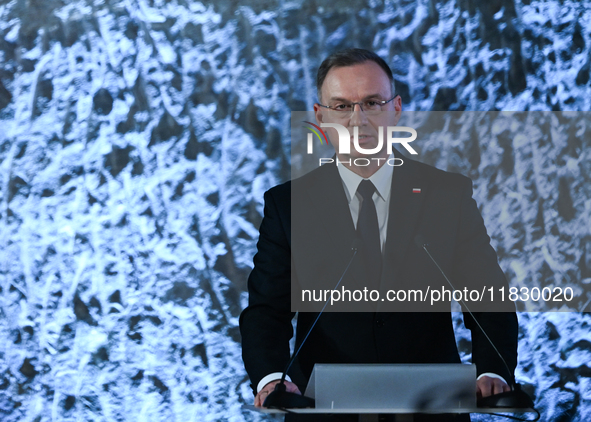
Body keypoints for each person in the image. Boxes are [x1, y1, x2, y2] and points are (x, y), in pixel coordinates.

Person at [239, 48, 518, 422]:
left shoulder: (446, 195)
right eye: (342, 107)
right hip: (323, 410)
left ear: (396, 109)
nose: (358, 121)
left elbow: (487, 297)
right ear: (320, 117)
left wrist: (492, 371)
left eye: (372, 103)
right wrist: (272, 379)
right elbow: (266, 311)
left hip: (431, 407)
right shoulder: (287, 205)